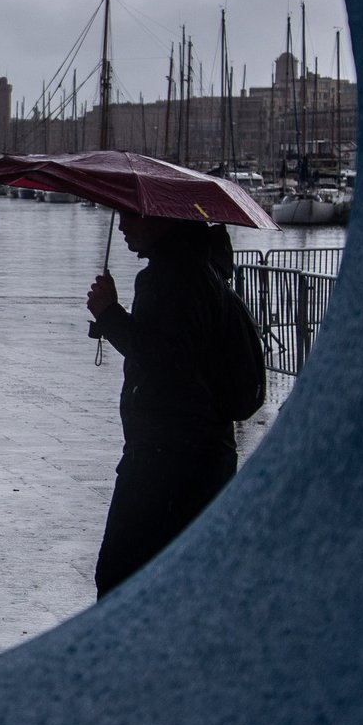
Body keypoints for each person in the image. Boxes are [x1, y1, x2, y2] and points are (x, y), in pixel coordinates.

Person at [85, 213, 238, 597]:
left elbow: (164, 360)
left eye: (131, 217)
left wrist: (109, 314)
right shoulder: (202, 270)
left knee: (118, 573)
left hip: (164, 456)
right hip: (202, 451)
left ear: (162, 220)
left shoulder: (172, 279)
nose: (121, 227)